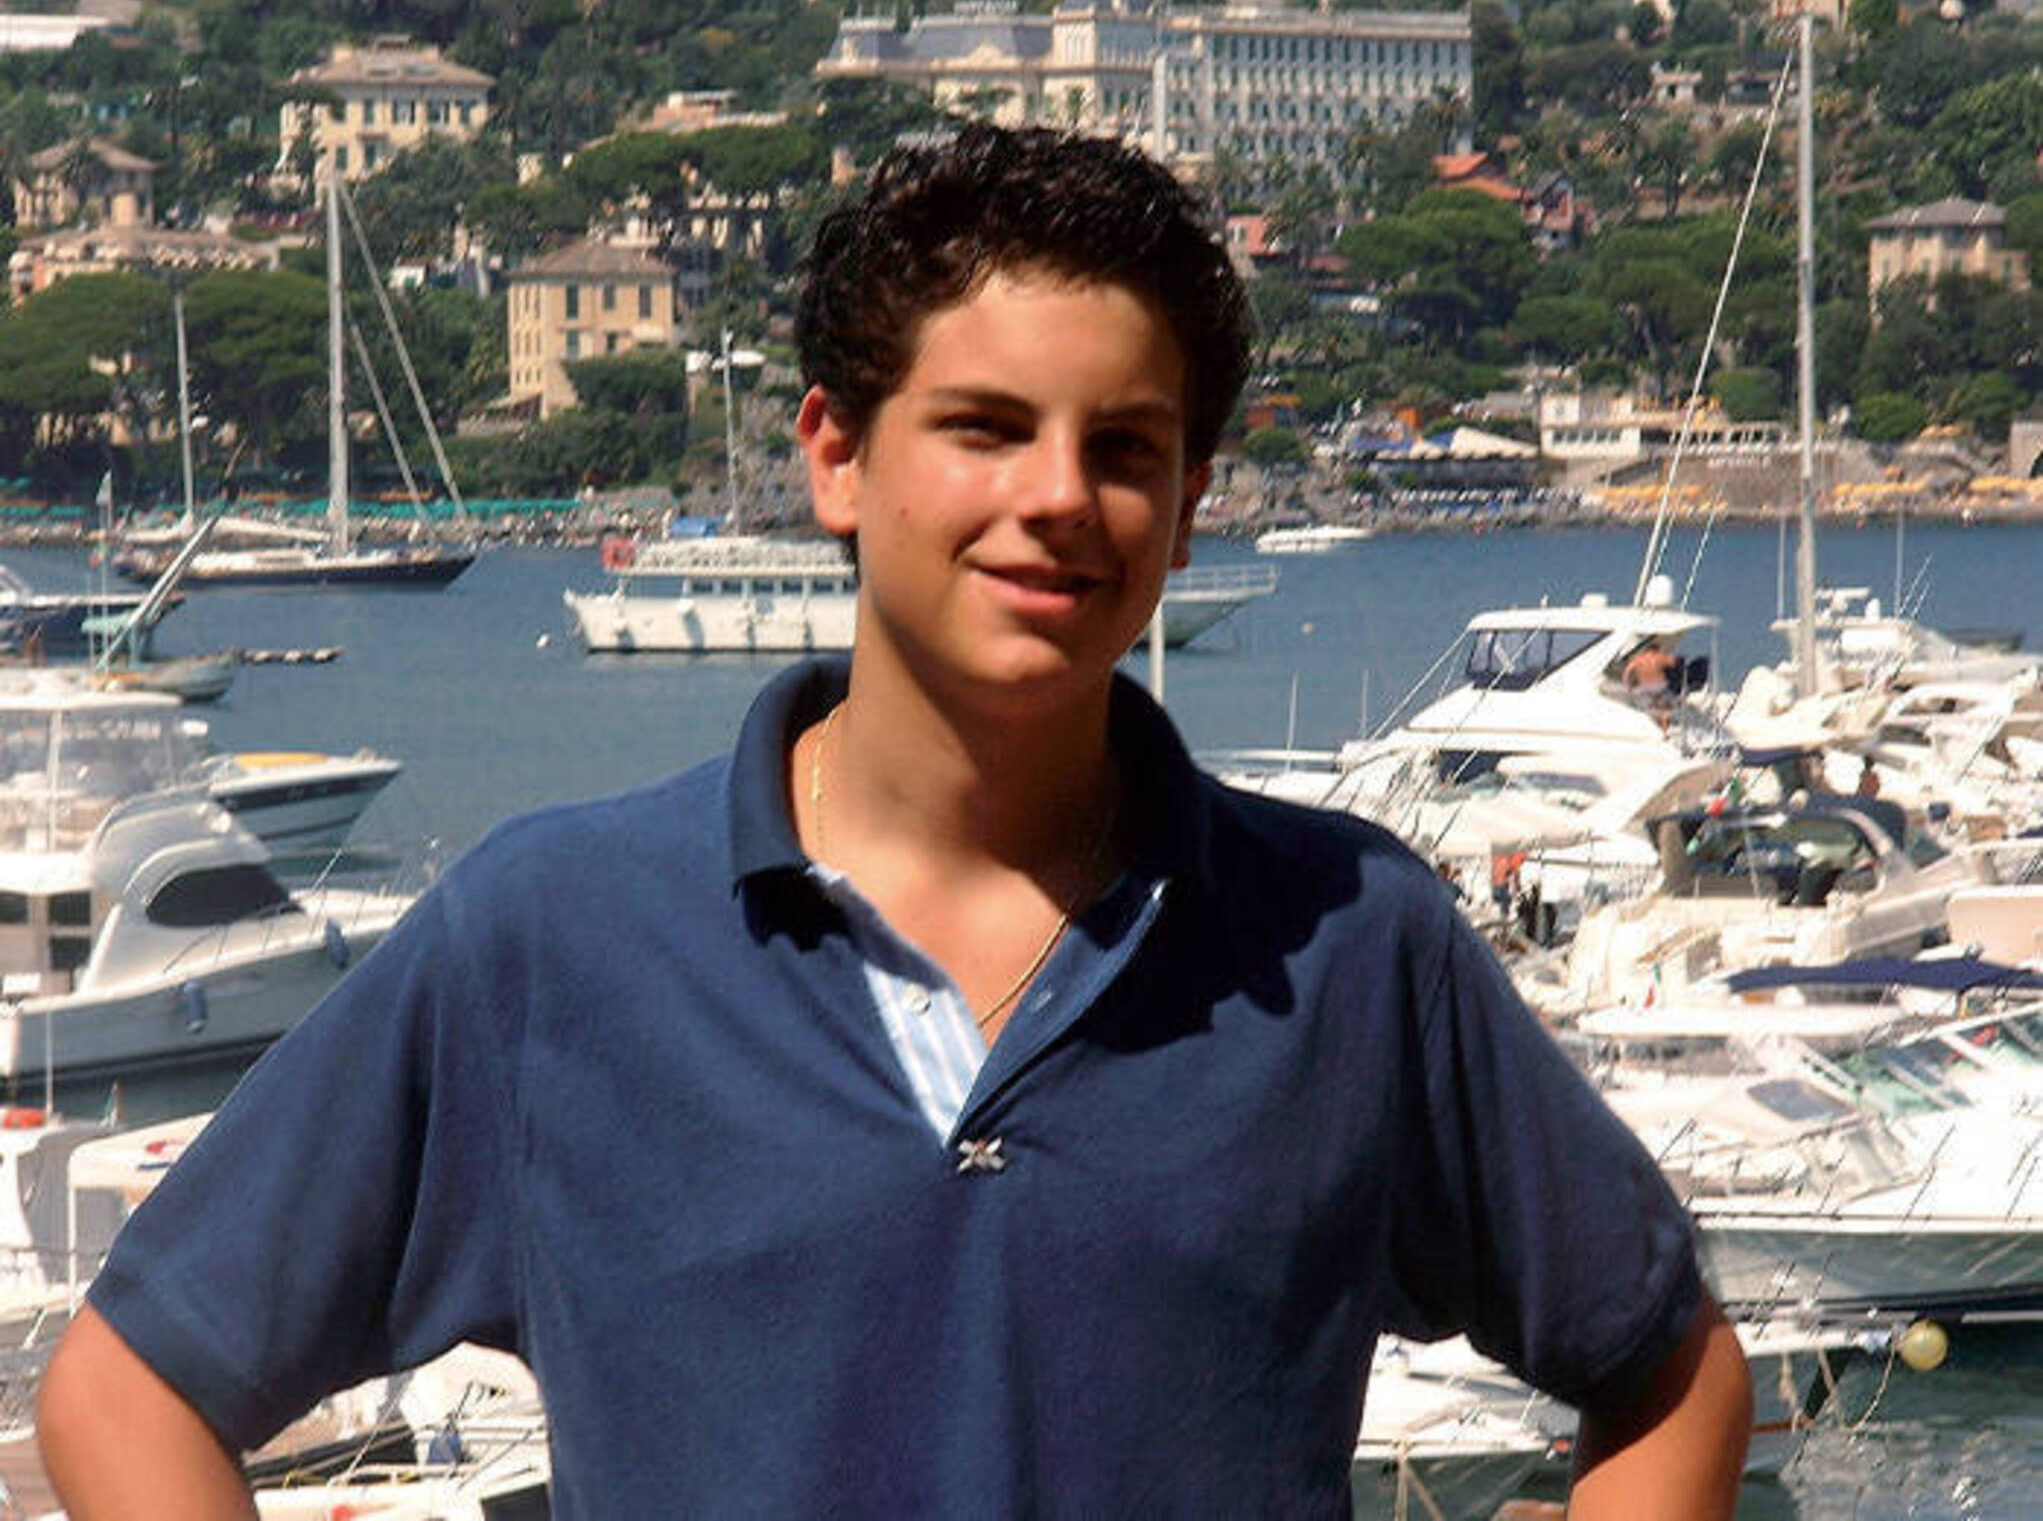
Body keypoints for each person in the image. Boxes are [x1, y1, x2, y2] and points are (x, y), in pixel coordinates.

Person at [37, 124, 1750, 1517]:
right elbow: (128, 1391)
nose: (1059, 498)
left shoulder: (1348, 940)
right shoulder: (553, 939)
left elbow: (1671, 1373)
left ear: (1190, 503)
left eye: (1126, 447)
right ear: (837, 458)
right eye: (986, 429)